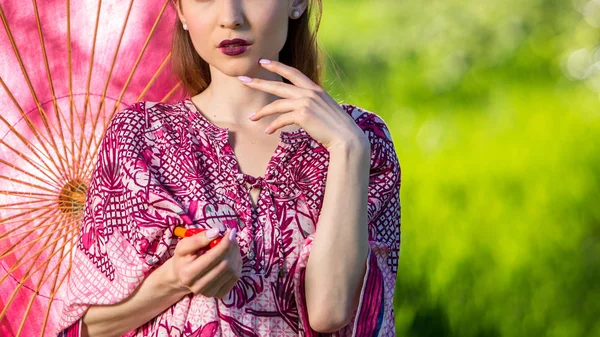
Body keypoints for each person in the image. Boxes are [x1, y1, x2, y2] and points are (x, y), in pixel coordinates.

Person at [56, 0, 401, 336]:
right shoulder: (140, 137)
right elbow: (89, 327)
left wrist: (348, 150)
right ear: (180, 11)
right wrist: (175, 279)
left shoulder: (360, 139)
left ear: (297, 2)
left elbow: (332, 311)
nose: (230, 17)